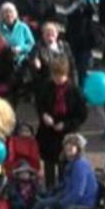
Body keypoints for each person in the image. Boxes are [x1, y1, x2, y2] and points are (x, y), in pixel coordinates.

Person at [22, 132, 98, 209]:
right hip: (68, 197)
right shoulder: (71, 163)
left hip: (80, 204)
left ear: (79, 148)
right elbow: (65, 185)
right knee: (40, 204)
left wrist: (61, 203)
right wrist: (52, 192)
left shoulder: (80, 166)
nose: (69, 146)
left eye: (73, 144)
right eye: (68, 144)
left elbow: (77, 193)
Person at [35, 58, 88, 190]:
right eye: (55, 76)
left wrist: (66, 124)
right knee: (49, 164)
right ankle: (50, 189)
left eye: (61, 76)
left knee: (65, 165)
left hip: (67, 134)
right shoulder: (47, 86)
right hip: (48, 132)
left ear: (66, 74)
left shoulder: (75, 91)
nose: (57, 79)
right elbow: (40, 104)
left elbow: (81, 114)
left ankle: (64, 190)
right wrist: (44, 115)